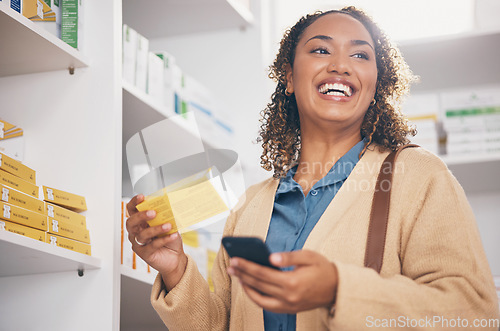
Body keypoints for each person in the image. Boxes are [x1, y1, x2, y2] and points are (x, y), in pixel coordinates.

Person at [126, 6, 499, 330]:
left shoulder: (419, 177)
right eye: (321, 50)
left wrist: (339, 289)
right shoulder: (251, 205)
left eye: (360, 56)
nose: (339, 66)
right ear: (288, 77)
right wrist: (175, 269)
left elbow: (473, 313)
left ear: (375, 86)